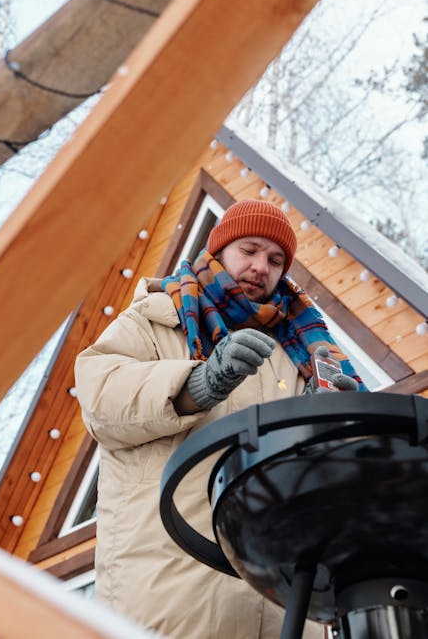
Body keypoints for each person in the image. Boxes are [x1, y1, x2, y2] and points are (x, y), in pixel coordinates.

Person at [74, 199, 365, 639]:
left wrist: (327, 423)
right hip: (171, 597)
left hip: (286, 606)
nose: (260, 267)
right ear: (219, 249)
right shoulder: (157, 320)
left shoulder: (299, 351)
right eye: (248, 250)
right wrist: (198, 384)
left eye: (275, 259)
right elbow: (101, 399)